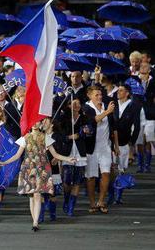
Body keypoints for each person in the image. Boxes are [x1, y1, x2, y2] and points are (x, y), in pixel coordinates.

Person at [0, 120, 76, 231]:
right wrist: (4, 162)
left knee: (37, 195)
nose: (34, 124)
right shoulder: (25, 138)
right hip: (29, 168)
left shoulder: (45, 137)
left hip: (42, 169)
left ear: (40, 124)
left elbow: (55, 154)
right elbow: (17, 155)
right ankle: (34, 220)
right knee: (31, 196)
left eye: (37, 122)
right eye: (33, 122)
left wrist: (68, 158)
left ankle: (35, 222)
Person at [83, 86, 119, 214]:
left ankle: (101, 201)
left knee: (106, 174)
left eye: (100, 94)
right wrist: (107, 112)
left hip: (105, 147)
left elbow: (113, 127)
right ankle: (92, 203)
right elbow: (92, 121)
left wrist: (116, 146)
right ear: (89, 95)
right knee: (91, 177)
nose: (99, 97)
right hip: (91, 148)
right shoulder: (86, 108)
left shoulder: (106, 106)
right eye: (96, 95)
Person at [59, 99, 89, 217]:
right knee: (67, 180)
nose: (76, 105)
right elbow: (59, 136)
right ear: (69, 105)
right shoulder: (63, 118)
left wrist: (84, 132)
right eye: (74, 103)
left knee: (77, 181)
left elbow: (89, 130)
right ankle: (66, 199)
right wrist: (69, 137)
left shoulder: (84, 118)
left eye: (78, 103)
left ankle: (71, 206)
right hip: (67, 153)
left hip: (80, 153)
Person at [112, 85, 140, 204]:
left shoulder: (133, 106)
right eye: (118, 90)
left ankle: (118, 196)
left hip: (124, 143)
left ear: (127, 93)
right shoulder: (113, 104)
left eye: (121, 90)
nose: (118, 92)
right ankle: (111, 195)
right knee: (111, 169)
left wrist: (131, 146)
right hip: (111, 143)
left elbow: (136, 126)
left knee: (121, 170)